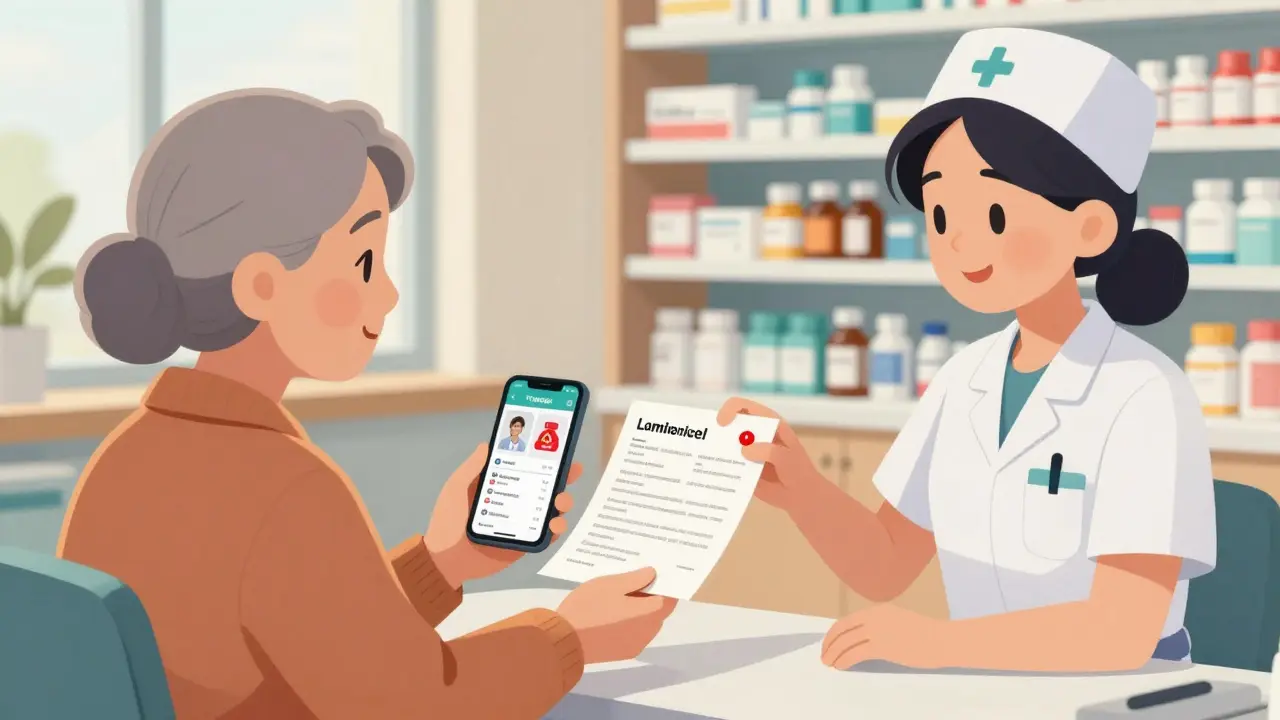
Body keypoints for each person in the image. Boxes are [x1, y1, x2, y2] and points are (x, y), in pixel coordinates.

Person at [59, 89, 676, 719]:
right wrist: (569, 637)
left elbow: (308, 632)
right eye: (362, 261)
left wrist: (443, 562)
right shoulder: (284, 486)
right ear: (262, 284)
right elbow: (420, 705)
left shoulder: (129, 456)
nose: (387, 294)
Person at [719, 29, 1216, 673]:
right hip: (979, 685)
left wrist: (933, 644)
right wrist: (804, 488)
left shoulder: (1145, 391)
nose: (958, 243)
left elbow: (1120, 630)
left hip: (1119, 694)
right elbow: (886, 563)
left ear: (1090, 225)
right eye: (942, 214)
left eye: (995, 214)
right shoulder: (965, 375)